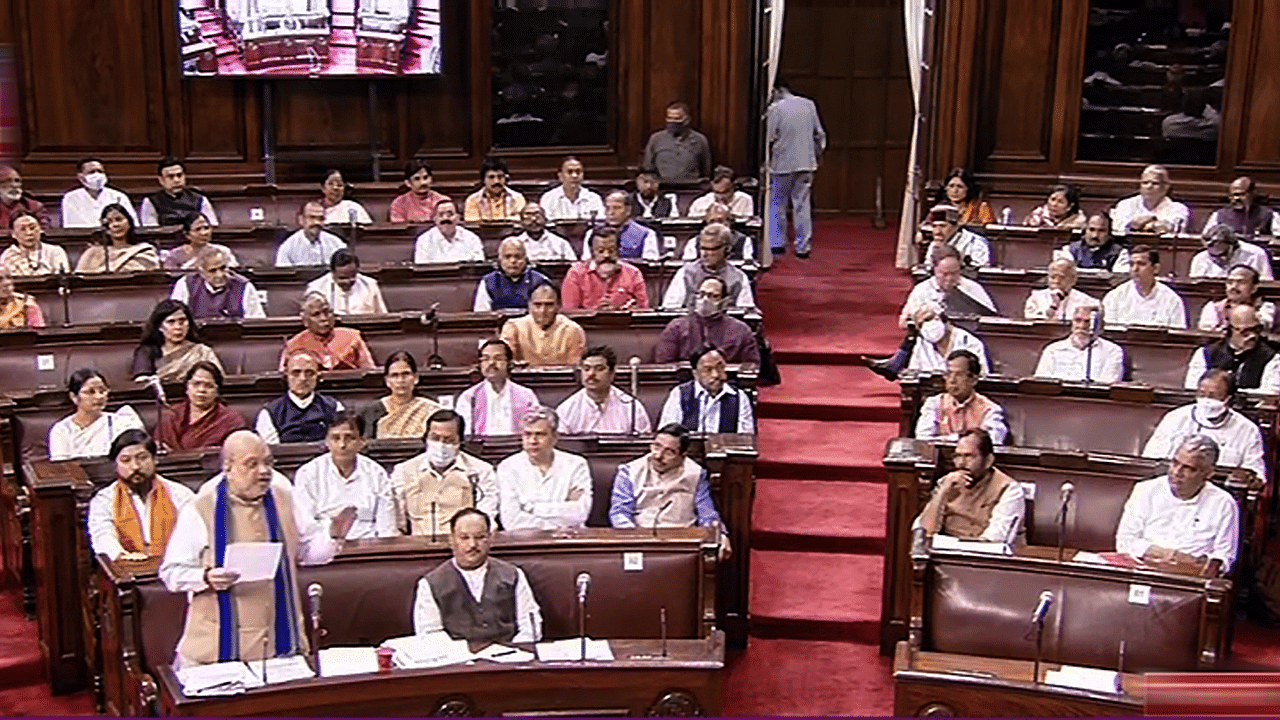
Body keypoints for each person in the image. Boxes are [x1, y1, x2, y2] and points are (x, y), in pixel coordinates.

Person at [159, 430, 352, 669]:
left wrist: (333, 535)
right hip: (214, 650)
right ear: (228, 468)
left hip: (279, 646)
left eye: (268, 463)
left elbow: (309, 554)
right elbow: (171, 572)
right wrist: (206, 577)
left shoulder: (286, 499)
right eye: (252, 464)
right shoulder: (201, 508)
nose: (263, 471)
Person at [412, 507, 542, 642]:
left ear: (490, 539)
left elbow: (530, 626)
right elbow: (430, 634)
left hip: (510, 657)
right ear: (451, 540)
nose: (472, 544)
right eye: (464, 538)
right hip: (457, 659)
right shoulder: (430, 583)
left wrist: (513, 652)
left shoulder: (513, 575)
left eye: (480, 537)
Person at [1116, 435, 1239, 571]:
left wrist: (1191, 564)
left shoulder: (1224, 503)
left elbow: (1224, 559)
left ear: (1208, 473)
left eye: (1189, 468)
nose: (1177, 472)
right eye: (1175, 463)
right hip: (1142, 569)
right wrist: (1171, 555)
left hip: (1190, 579)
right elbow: (1125, 541)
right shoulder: (1145, 490)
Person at [609, 423, 731, 558]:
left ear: (683, 455)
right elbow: (619, 512)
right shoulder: (630, 471)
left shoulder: (696, 474)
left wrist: (720, 534)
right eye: (656, 446)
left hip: (682, 545)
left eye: (669, 452)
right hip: (639, 543)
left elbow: (707, 513)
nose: (658, 456)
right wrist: (635, 539)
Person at [87, 430, 195, 561]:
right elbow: (103, 536)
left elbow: (193, 534)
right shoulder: (104, 500)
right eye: (126, 460)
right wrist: (122, 556)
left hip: (175, 565)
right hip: (126, 567)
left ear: (155, 460)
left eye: (142, 458)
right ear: (116, 465)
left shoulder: (180, 494)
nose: (135, 466)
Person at [391, 410, 499, 536]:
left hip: (463, 545)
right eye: (435, 438)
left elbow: (486, 521)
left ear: (460, 441)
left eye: (449, 440)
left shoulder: (481, 471)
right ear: (426, 438)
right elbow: (396, 522)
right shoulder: (404, 471)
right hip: (417, 545)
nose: (441, 445)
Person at [293, 412, 397, 540]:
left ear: (362, 441)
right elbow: (305, 524)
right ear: (326, 441)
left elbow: (387, 526)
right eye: (335, 438)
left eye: (350, 438)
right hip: (322, 545)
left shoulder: (376, 473)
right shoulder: (308, 473)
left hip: (368, 545)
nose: (342, 445)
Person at [1143, 370, 1265, 478]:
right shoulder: (1175, 417)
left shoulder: (1247, 429)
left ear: (1228, 398)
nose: (1206, 401)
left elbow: (1256, 474)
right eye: (1202, 394)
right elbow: (1150, 460)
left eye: (1213, 396)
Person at [913, 428, 1024, 542]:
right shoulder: (947, 482)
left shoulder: (1009, 489)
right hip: (945, 550)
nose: (961, 463)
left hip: (984, 555)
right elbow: (925, 532)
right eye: (957, 456)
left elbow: (994, 539)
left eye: (969, 456)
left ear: (988, 461)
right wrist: (942, 493)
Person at [496, 406, 592, 530]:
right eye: (527, 434)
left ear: (555, 437)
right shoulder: (507, 467)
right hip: (525, 541)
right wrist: (561, 515)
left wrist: (531, 508)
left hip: (570, 540)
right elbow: (511, 521)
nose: (533, 440)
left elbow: (580, 514)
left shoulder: (576, 465)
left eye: (540, 434)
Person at [765, 78, 826, 258]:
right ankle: (803, 246)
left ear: (776, 90)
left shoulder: (775, 109)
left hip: (781, 164)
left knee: (777, 203)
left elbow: (769, 137)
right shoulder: (808, 104)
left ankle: (777, 243)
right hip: (806, 162)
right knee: (802, 204)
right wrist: (816, 154)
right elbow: (820, 135)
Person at [655, 277, 760, 365]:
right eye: (701, 294)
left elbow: (752, 366)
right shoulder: (676, 327)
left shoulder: (741, 330)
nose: (705, 300)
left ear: (724, 301)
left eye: (713, 296)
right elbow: (664, 363)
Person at [48, 369, 144, 461]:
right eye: (90, 392)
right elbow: (61, 466)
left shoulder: (121, 424)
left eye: (102, 391)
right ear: (74, 397)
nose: (98, 397)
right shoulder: (61, 430)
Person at [915, 350, 1008, 444]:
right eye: (949, 374)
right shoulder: (934, 403)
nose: (952, 380)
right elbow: (922, 438)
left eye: (959, 375)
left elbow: (993, 441)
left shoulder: (990, 409)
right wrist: (961, 438)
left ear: (973, 380)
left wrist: (947, 439)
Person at [1184, 304, 1280, 394]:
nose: (1252, 336)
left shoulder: (1272, 358)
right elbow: (1192, 389)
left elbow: (1269, 394)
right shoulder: (1205, 354)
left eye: (1256, 329)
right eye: (1245, 332)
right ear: (1230, 331)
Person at [658, 345, 755, 434]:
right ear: (695, 373)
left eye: (720, 367)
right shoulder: (679, 394)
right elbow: (667, 433)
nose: (716, 375)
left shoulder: (739, 397)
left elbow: (746, 437)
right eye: (708, 369)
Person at [454, 339, 541, 437]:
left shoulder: (526, 395)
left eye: (498, 358)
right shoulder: (469, 397)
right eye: (486, 359)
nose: (491, 363)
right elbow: (464, 435)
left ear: (509, 363)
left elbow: (535, 429)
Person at [556, 346, 652, 435]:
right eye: (586, 369)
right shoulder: (566, 409)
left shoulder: (631, 407)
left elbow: (644, 442)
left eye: (599, 369)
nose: (591, 374)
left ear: (612, 373)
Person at [255, 351, 345, 445]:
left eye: (309, 373)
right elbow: (272, 450)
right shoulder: (269, 413)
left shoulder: (334, 407)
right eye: (296, 373)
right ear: (286, 375)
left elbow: (340, 444)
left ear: (318, 376)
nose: (303, 378)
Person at [156, 361, 248, 452]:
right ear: (187, 388)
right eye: (196, 384)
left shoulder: (230, 420)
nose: (201, 390)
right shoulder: (171, 415)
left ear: (217, 392)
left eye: (209, 386)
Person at [662, 223, 755, 310]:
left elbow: (745, 311)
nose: (704, 254)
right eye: (703, 248)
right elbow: (670, 309)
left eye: (711, 249)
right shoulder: (685, 273)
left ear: (727, 250)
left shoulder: (739, 277)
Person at [897, 247, 996, 328]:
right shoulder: (922, 289)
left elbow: (991, 318)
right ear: (934, 269)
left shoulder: (972, 287)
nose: (949, 278)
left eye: (954, 273)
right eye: (944, 274)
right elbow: (903, 323)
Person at [131, 300, 223, 384]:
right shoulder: (146, 352)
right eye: (171, 322)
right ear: (160, 327)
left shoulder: (202, 352)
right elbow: (142, 381)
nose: (178, 327)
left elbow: (216, 381)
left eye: (182, 321)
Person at [279, 293, 376, 372]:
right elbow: (286, 375)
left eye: (327, 312)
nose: (324, 318)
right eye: (316, 314)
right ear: (305, 321)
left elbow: (369, 371)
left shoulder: (352, 337)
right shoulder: (294, 345)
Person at [358, 350, 442, 440]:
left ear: (416, 378)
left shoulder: (430, 410)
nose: (400, 380)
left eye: (406, 374)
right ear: (387, 381)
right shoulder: (372, 410)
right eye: (394, 375)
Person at [562, 226, 649, 311]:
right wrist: (595, 312)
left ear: (618, 250)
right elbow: (570, 311)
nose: (606, 255)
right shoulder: (576, 274)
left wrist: (620, 311)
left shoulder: (633, 273)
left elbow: (644, 309)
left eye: (611, 251)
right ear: (592, 252)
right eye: (600, 251)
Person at [499, 282, 586, 366]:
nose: (543, 311)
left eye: (549, 305)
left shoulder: (573, 329)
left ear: (558, 306)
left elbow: (574, 365)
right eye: (537, 305)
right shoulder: (513, 327)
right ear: (529, 305)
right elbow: (506, 360)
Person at [1033, 303, 1124, 383]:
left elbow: (1109, 383)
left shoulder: (1112, 351)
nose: (1082, 326)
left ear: (1100, 326)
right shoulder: (1052, 350)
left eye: (1087, 322)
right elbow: (1042, 382)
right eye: (1078, 320)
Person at [1101, 245, 1187, 328]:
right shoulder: (1114, 297)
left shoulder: (1172, 300)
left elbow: (1177, 336)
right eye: (1131, 264)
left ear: (1156, 268)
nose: (1135, 269)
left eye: (1141, 264)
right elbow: (1108, 333)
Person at [170, 246, 267, 319]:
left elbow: (256, 320)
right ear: (201, 272)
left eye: (223, 268)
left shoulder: (244, 286)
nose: (219, 274)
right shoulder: (185, 284)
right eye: (213, 271)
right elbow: (175, 318)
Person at [905, 306, 990, 376]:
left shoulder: (969, 342)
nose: (926, 326)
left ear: (943, 319)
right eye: (920, 325)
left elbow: (981, 376)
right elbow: (913, 373)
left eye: (928, 319)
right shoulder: (921, 344)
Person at [75, 204, 160, 273]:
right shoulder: (93, 253)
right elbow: (79, 278)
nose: (115, 225)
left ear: (129, 223)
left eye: (119, 219)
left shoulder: (144, 251)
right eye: (110, 222)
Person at [473, 237, 551, 312]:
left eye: (518, 257)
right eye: (507, 257)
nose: (513, 261)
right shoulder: (488, 282)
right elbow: (482, 314)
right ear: (500, 260)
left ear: (526, 260)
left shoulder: (540, 281)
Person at [1109, 164, 1191, 235]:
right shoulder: (1125, 204)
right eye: (1145, 183)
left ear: (1166, 187)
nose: (1149, 187)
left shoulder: (1179, 208)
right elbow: (1117, 229)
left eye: (1155, 183)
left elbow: (1175, 230)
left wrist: (1140, 224)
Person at [643, 101, 712, 184]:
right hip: (663, 187)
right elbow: (648, 169)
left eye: (677, 118)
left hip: (690, 188)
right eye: (669, 118)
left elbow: (706, 170)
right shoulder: (656, 139)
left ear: (687, 119)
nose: (672, 122)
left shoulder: (700, 140)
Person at [579, 191, 661, 261]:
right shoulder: (591, 234)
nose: (611, 212)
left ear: (628, 210)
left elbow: (650, 266)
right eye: (607, 208)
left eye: (616, 208)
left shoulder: (647, 234)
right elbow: (586, 263)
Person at [139, 157, 219, 227]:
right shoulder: (150, 202)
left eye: (179, 175)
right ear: (161, 180)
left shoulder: (200, 199)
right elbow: (151, 231)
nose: (176, 180)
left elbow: (212, 225)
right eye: (171, 177)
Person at [305, 249, 389, 316]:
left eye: (352, 277)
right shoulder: (316, 288)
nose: (348, 282)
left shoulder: (370, 285)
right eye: (342, 278)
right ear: (332, 272)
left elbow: (382, 315)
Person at [60, 158, 138, 228]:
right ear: (81, 177)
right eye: (92, 172)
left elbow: (132, 223)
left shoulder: (119, 196)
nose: (97, 175)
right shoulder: (70, 198)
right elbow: (70, 225)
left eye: (100, 171)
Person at [1198, 265, 1276, 332]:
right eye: (1230, 282)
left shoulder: (1265, 307)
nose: (1234, 286)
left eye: (1241, 282)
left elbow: (1261, 328)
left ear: (1254, 288)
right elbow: (1207, 333)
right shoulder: (1213, 307)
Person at [275, 201, 348, 267]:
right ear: (301, 220)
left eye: (321, 218)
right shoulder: (288, 247)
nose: (317, 222)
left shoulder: (336, 243)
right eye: (312, 217)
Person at [1024, 257, 1097, 321]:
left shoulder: (1087, 302)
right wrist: (1053, 306)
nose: (1056, 281)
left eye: (1062, 278)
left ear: (1073, 280)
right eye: (1053, 277)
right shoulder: (1035, 299)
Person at [1189, 224, 1274, 280]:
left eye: (1223, 254)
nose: (1219, 259)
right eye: (1213, 256)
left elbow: (1266, 283)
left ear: (1233, 246)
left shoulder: (1256, 254)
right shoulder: (1200, 258)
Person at [1201, 176, 1277, 238]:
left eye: (1241, 194)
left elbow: (1277, 240)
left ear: (1252, 193)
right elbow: (1206, 237)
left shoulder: (1269, 214)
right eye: (1233, 196)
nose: (1236, 199)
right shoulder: (1219, 215)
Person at [920, 204, 991, 269]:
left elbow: (980, 271)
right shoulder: (934, 244)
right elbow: (928, 268)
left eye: (943, 226)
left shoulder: (975, 242)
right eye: (934, 226)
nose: (937, 231)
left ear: (956, 227)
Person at [414, 199, 484, 264]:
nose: (445, 218)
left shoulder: (472, 238)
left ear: (458, 218)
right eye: (441, 215)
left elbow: (478, 265)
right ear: (435, 219)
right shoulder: (424, 240)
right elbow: (421, 270)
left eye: (450, 214)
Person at [1054, 213, 1131, 273]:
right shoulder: (1070, 250)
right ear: (1085, 230)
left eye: (1101, 231)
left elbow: (1119, 276)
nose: (1095, 235)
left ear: (1109, 234)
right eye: (1091, 230)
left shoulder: (1120, 253)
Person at [2, 211, 69, 276]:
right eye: (23, 229)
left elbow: (64, 279)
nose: (29, 233)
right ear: (13, 234)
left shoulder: (55, 251)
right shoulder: (8, 256)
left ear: (40, 229)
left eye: (32, 228)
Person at [682, 202, 755, 262]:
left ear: (730, 222)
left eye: (720, 221)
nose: (716, 225)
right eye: (712, 221)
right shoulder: (694, 242)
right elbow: (688, 267)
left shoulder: (744, 241)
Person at [163, 213, 238, 270]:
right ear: (187, 234)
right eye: (198, 229)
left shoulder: (223, 251)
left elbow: (233, 273)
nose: (204, 233)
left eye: (206, 228)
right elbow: (170, 276)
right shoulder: (174, 255)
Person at [539, 156, 605, 221]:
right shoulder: (548, 198)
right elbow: (546, 223)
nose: (574, 176)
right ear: (560, 176)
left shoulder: (594, 198)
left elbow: (599, 222)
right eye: (570, 172)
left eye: (578, 172)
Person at [464, 157, 526, 222]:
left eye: (500, 177)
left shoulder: (518, 198)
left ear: (506, 178)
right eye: (491, 177)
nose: (496, 181)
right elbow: (472, 224)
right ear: (483, 179)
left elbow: (520, 223)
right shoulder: (473, 200)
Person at [508, 204, 576, 261]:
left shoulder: (561, 243)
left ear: (546, 220)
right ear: (521, 223)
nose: (533, 220)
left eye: (538, 216)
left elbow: (572, 265)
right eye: (528, 217)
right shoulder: (513, 245)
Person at [688, 165, 754, 219]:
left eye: (725, 192)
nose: (721, 197)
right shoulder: (699, 203)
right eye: (717, 192)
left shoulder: (745, 200)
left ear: (734, 187)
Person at [1022, 184, 1087, 229]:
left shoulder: (1079, 221)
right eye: (1052, 199)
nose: (1054, 204)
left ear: (1070, 206)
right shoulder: (1037, 216)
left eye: (1060, 202)